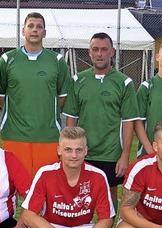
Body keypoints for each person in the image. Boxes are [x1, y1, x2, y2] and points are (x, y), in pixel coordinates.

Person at [21, 126, 116, 228]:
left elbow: (106, 220)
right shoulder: (46, 173)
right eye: (68, 149)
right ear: (59, 150)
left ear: (86, 151)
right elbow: (28, 215)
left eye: (79, 150)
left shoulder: (98, 176)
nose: (74, 155)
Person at [63, 32, 139, 212]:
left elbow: (129, 121)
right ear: (89, 52)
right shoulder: (78, 80)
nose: (99, 54)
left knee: (109, 193)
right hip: (83, 151)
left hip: (111, 152)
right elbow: (71, 119)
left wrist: (124, 156)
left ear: (112, 52)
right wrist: (69, 150)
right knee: (80, 192)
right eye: (95, 49)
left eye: (104, 49)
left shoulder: (124, 83)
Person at [0, 12, 72, 177]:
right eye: (30, 26)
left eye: (39, 27)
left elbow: (62, 97)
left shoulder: (57, 61)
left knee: (46, 186)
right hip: (15, 135)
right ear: (23, 30)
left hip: (48, 135)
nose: (34, 30)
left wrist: (42, 112)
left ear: (45, 32)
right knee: (11, 186)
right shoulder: (7, 59)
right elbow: (1, 97)